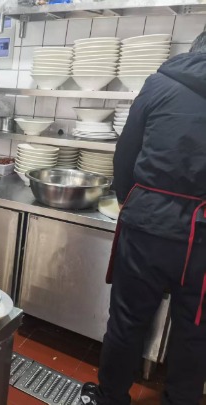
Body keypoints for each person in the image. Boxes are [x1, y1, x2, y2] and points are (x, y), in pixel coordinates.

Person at [80, 31, 206, 405]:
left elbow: (126, 153)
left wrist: (128, 200)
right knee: (195, 331)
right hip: (202, 236)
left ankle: (110, 397)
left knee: (127, 319)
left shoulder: (160, 83)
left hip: (147, 224)